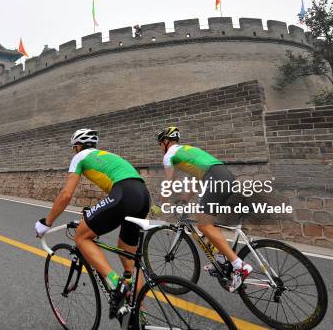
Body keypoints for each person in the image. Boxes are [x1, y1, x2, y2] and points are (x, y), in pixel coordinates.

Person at [34, 129, 151, 318]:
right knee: (129, 258)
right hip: (143, 195)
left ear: (77, 146)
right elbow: (116, 190)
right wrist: (94, 211)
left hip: (124, 194)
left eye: (74, 148)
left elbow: (66, 195)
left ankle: (116, 283)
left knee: (81, 235)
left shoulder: (80, 156)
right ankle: (140, 313)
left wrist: (46, 223)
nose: (74, 151)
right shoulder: (107, 156)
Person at [156, 126, 252, 292]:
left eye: (159, 145)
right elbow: (196, 179)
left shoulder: (170, 154)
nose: (160, 149)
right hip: (225, 176)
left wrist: (160, 204)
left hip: (215, 178)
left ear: (165, 142)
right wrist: (184, 200)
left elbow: (169, 182)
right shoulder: (189, 151)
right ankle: (222, 259)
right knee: (209, 222)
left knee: (203, 225)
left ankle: (239, 266)